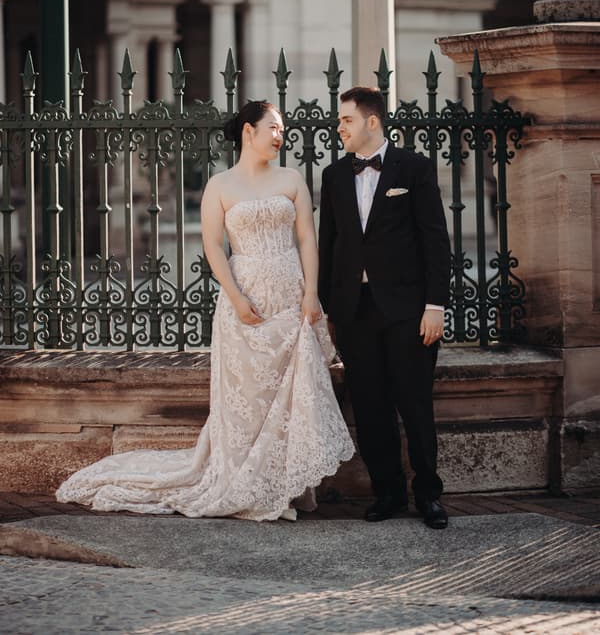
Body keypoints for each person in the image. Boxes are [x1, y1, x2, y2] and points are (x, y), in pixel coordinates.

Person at [57, 100, 354, 521]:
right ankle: (245, 483)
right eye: (272, 127)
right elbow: (214, 245)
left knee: (291, 399)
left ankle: (284, 488)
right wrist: (236, 297)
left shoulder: (292, 179)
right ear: (248, 131)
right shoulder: (221, 185)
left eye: (282, 128)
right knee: (249, 401)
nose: (279, 134)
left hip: (291, 298)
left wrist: (310, 295)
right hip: (245, 296)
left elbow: (307, 238)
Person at [318, 87, 451, 528]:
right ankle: (388, 493)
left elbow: (435, 241)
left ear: (371, 121)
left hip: (409, 311)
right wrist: (330, 310)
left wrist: (435, 305)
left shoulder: (414, 168)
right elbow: (329, 245)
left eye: (346, 120)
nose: (340, 127)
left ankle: (429, 495)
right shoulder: (334, 176)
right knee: (371, 408)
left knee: (414, 406)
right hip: (355, 312)